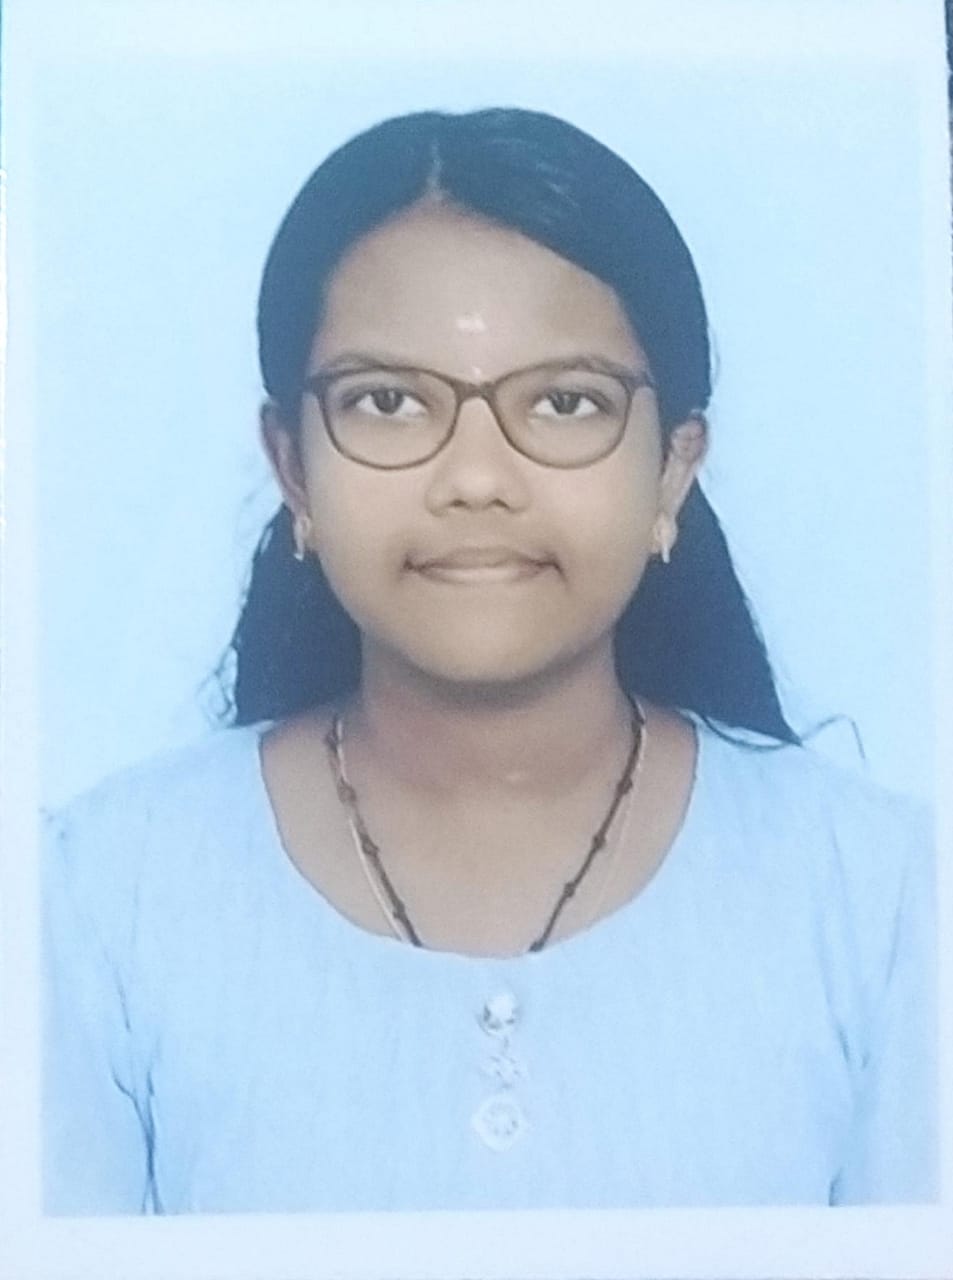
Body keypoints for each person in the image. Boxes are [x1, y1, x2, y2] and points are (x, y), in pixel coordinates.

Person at [42, 108, 936, 1215]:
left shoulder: (884, 897)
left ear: (671, 470)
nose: (475, 478)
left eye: (564, 402)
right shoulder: (95, 897)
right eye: (387, 401)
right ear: (293, 468)